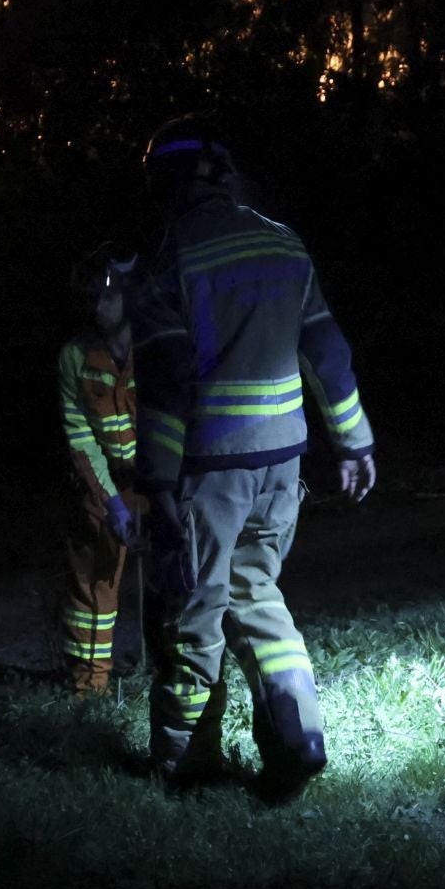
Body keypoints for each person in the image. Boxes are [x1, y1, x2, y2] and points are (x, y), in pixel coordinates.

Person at [129, 116, 376, 795]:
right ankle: (300, 736)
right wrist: (353, 441)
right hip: (282, 465)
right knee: (257, 594)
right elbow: (326, 350)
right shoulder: (283, 242)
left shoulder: (169, 261)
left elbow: (166, 386)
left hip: (209, 472)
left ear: (165, 184)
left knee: (193, 613)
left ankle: (185, 767)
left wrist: (159, 484)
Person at [56, 246, 146, 696]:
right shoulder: (74, 356)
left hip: (156, 481)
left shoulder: (156, 345)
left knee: (179, 576)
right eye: (92, 297)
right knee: (94, 583)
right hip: (104, 481)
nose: (98, 306)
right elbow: (80, 438)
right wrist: (113, 503)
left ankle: (176, 671)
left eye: (107, 296)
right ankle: (89, 688)